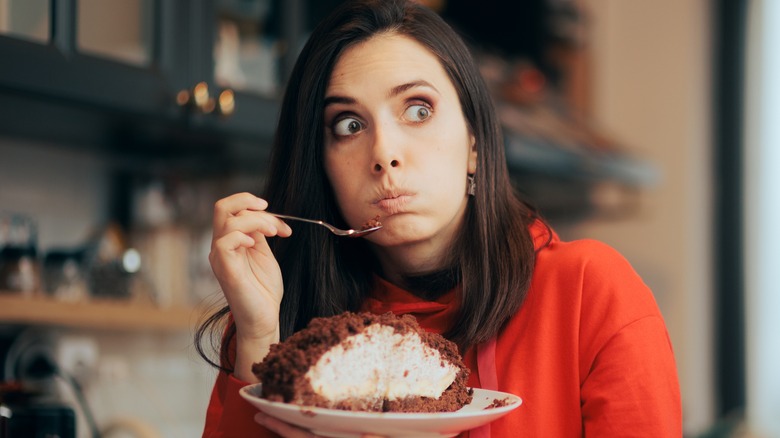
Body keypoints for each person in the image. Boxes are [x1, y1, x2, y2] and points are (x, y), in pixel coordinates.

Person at [197, 0, 682, 437]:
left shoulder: (588, 293)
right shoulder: (291, 330)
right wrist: (260, 335)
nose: (384, 153)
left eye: (418, 109)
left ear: (474, 143)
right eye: (349, 125)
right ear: (320, 165)